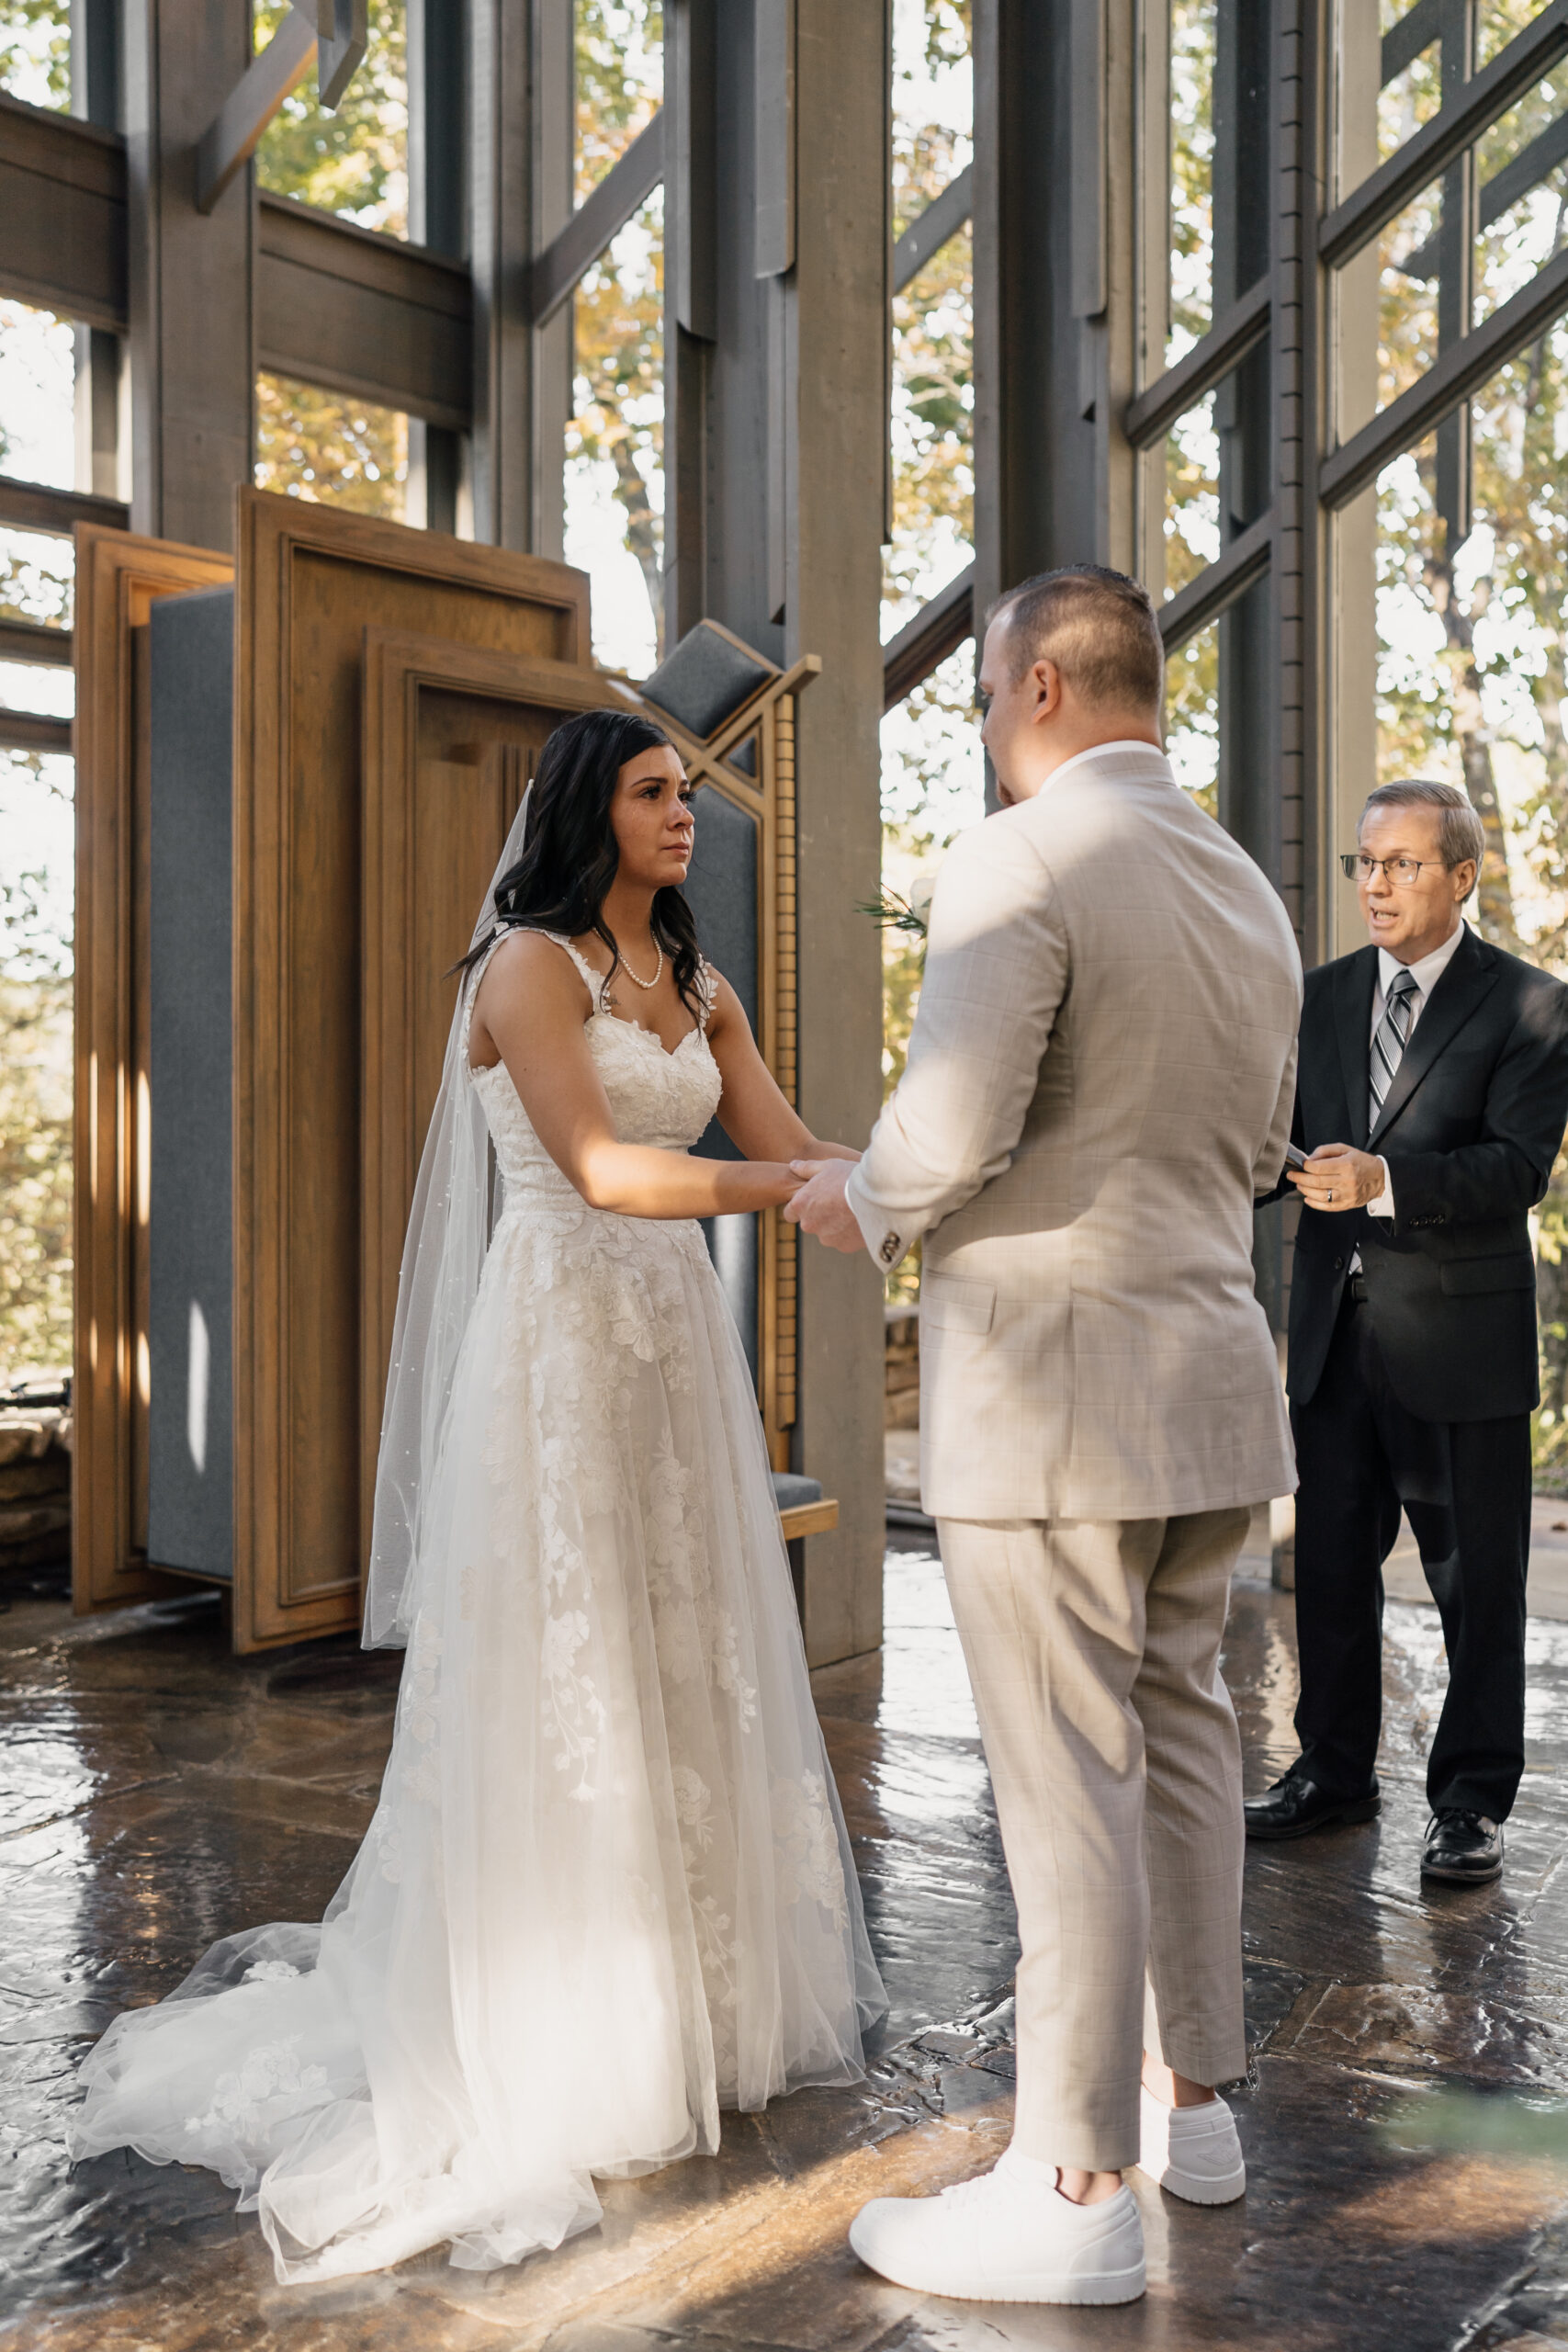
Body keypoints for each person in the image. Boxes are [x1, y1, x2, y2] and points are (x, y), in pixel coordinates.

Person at [69, 707, 885, 2283]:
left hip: (671, 1354)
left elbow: (790, 1137)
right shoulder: (526, 965)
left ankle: (705, 1997)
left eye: (687, 797)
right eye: (652, 795)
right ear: (588, 810)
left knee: (681, 1640)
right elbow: (604, 1171)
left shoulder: (695, 983)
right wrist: (789, 1192)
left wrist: (900, 1173)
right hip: (563, 1347)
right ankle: (573, 2020)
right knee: (573, 1665)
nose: (680, 817)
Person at [788, 565, 1302, 2307]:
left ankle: (1068, 2183)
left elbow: (948, 1124)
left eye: (985, 703)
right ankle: (1196, 2109)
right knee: (1181, 1751)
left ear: (1037, 693)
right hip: (1210, 1380)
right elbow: (1247, 1149)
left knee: (1062, 1784)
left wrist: (856, 1198)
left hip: (1058, 1394)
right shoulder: (1243, 883)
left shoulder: (1024, 857)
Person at [1245, 779, 1568, 1885]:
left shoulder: (1531, 1004)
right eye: (1364, 863)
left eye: (1401, 865)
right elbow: (1278, 1140)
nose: (1375, 885)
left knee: (1477, 1585)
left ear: (1462, 875)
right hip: (1335, 1335)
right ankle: (1331, 1775)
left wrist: (1383, 1178)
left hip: (1462, 1348)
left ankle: (1471, 1803)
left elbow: (1517, 1169)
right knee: (1330, 1572)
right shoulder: (1319, 995)